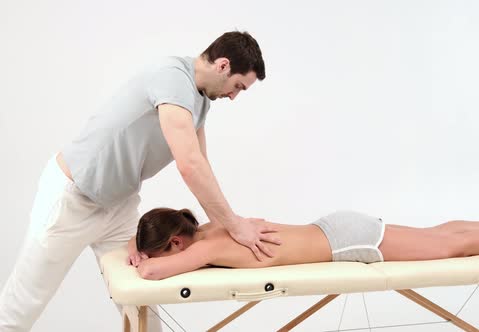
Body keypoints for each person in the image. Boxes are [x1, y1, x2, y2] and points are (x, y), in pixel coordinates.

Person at [0, 31, 280, 332]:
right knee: (25, 304)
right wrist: (236, 227)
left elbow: (202, 165)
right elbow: (189, 165)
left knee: (142, 305)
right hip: (72, 198)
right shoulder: (173, 78)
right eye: (238, 86)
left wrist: (225, 230)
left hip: (118, 206)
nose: (234, 96)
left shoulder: (200, 102)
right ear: (223, 66)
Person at [132, 209, 479, 280]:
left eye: (167, 251)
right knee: (437, 236)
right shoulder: (211, 225)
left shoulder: (205, 247)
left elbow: (153, 272)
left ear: (176, 241)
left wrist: (139, 260)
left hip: (348, 243)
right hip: (338, 229)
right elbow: (158, 262)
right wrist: (140, 248)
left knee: (447, 248)